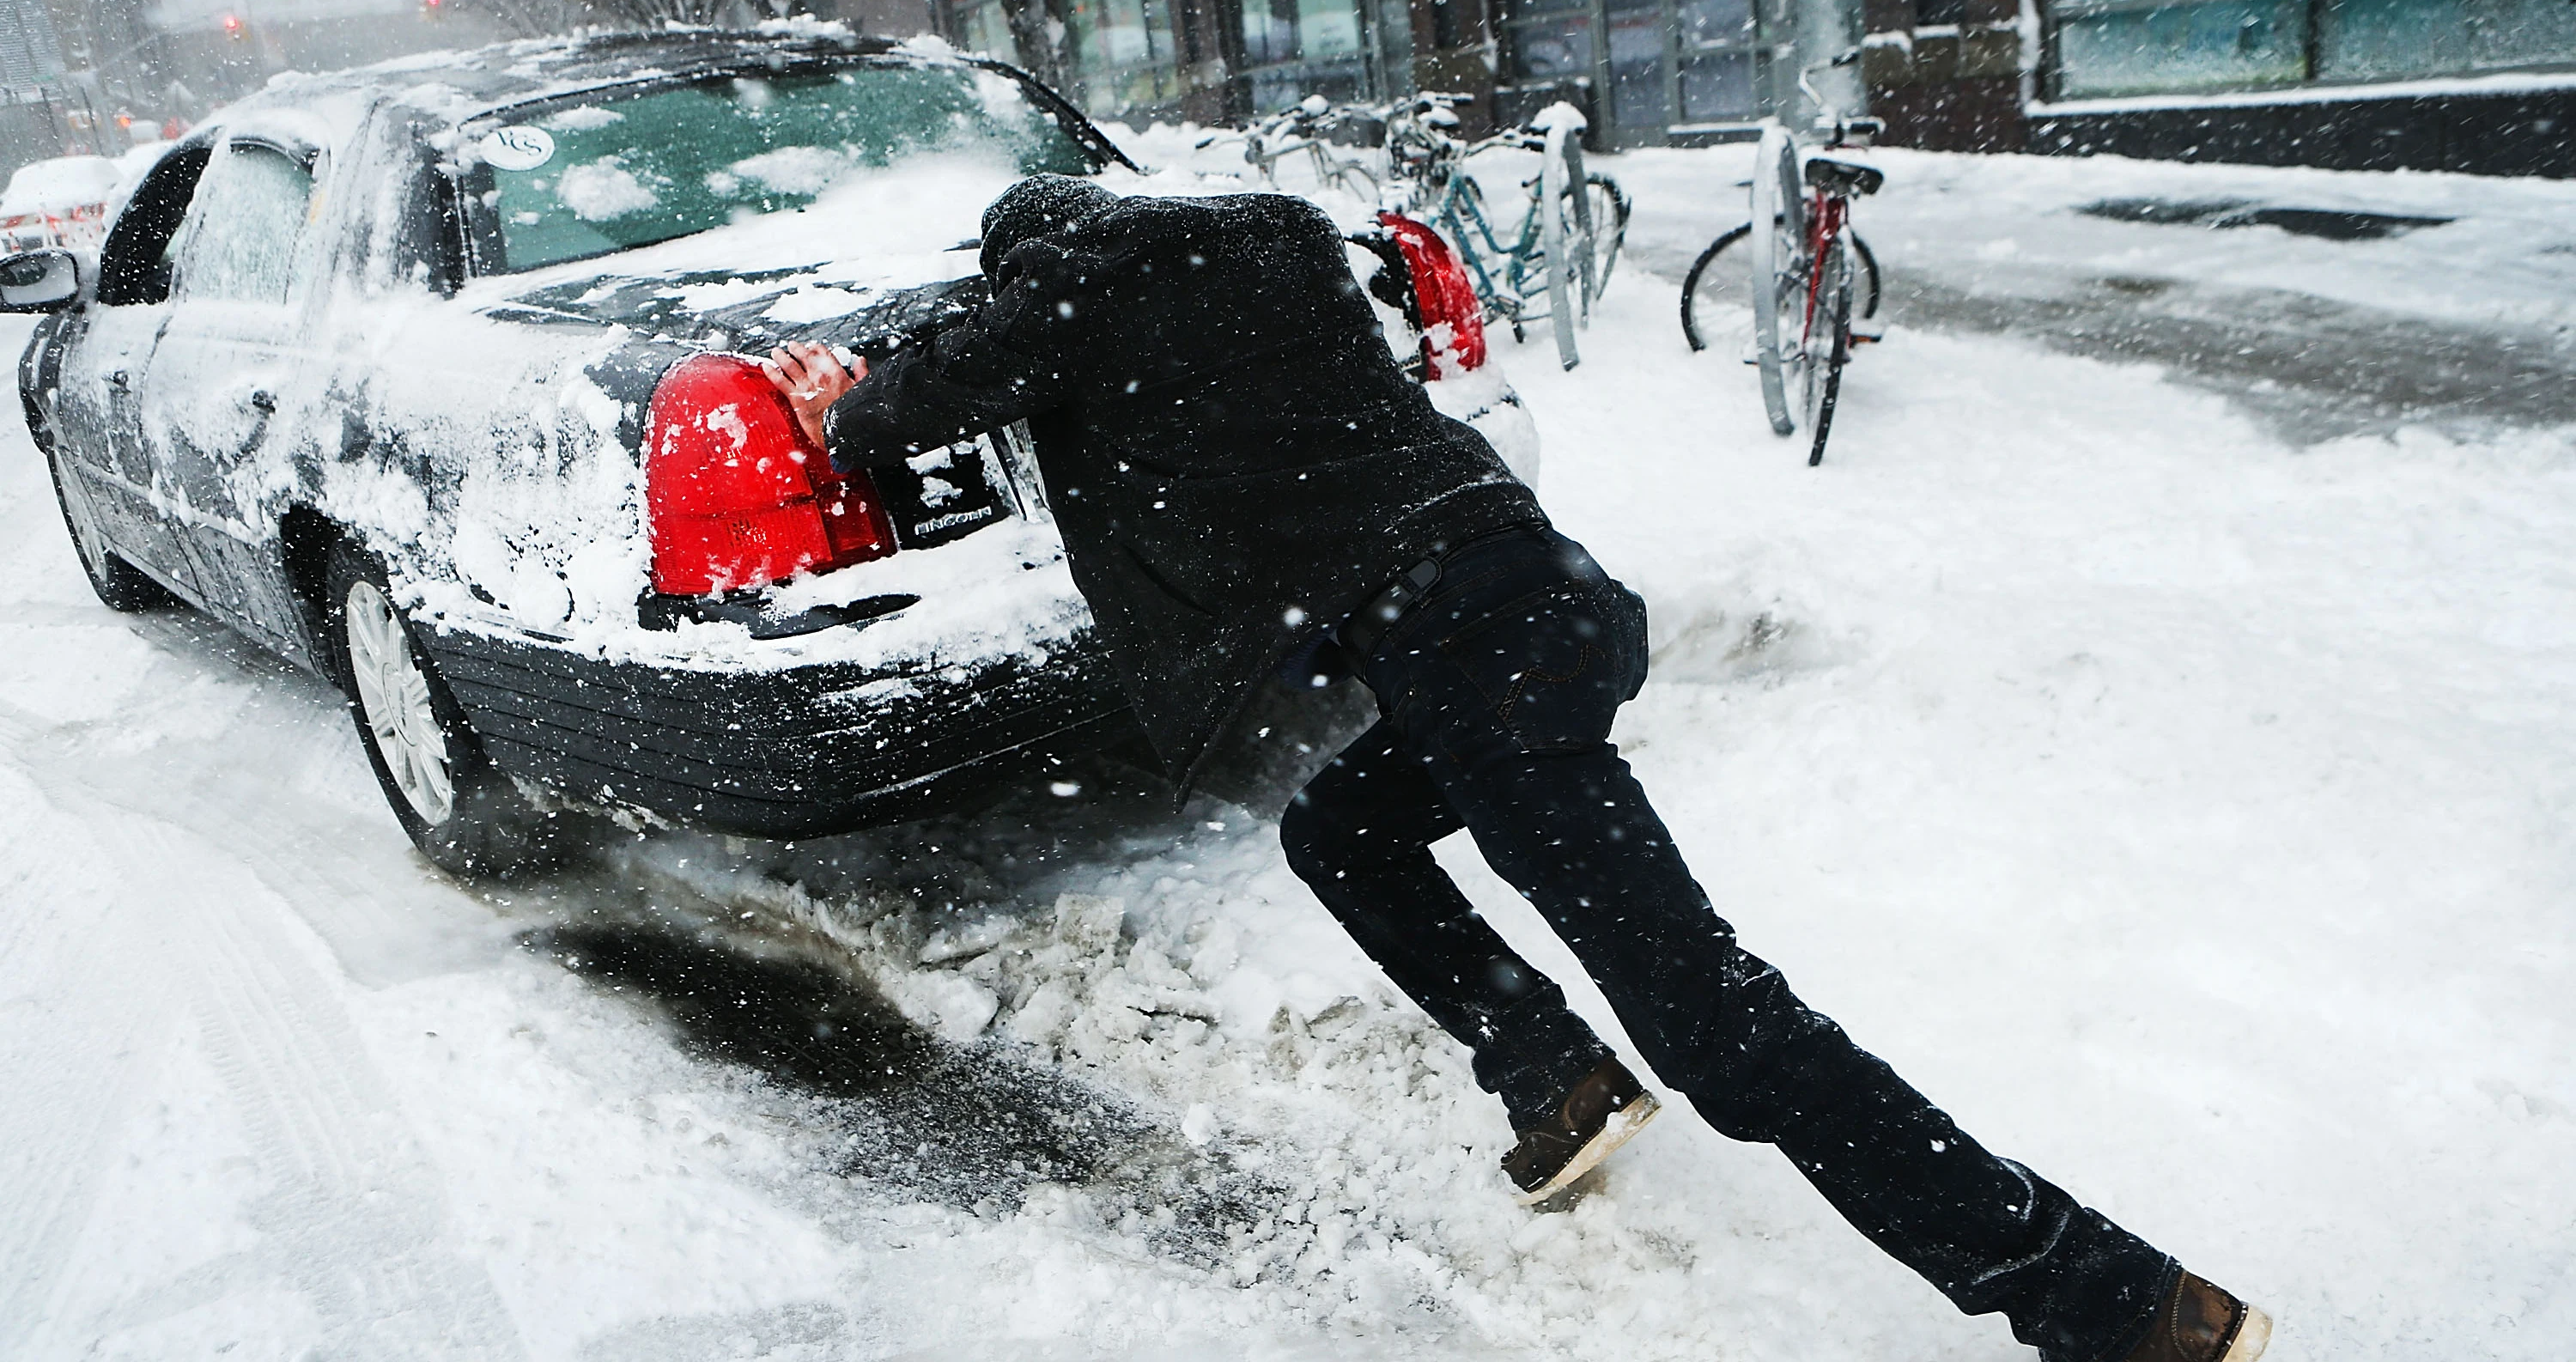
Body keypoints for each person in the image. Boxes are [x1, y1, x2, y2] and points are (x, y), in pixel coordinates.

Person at [761, 174, 2268, 1362]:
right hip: (1548, 603)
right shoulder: (1273, 244)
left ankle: (2119, 1306)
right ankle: (1552, 1072)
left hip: (1473, 658)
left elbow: (901, 411)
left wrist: (850, 389)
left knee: (1721, 1025)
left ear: (1032, 254)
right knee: (1342, 834)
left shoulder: (1066, 286)